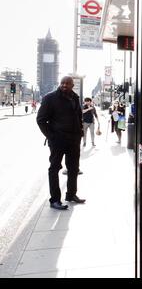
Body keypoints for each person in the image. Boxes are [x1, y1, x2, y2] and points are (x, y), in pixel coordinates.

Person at [36, 76, 86, 210]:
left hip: (73, 140)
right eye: (62, 83)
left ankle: (71, 195)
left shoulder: (75, 97)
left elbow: (78, 116)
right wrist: (51, 136)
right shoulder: (50, 98)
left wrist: (80, 132)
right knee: (54, 169)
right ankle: (55, 200)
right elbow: (41, 120)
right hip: (58, 140)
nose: (64, 85)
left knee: (74, 168)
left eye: (67, 83)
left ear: (72, 84)